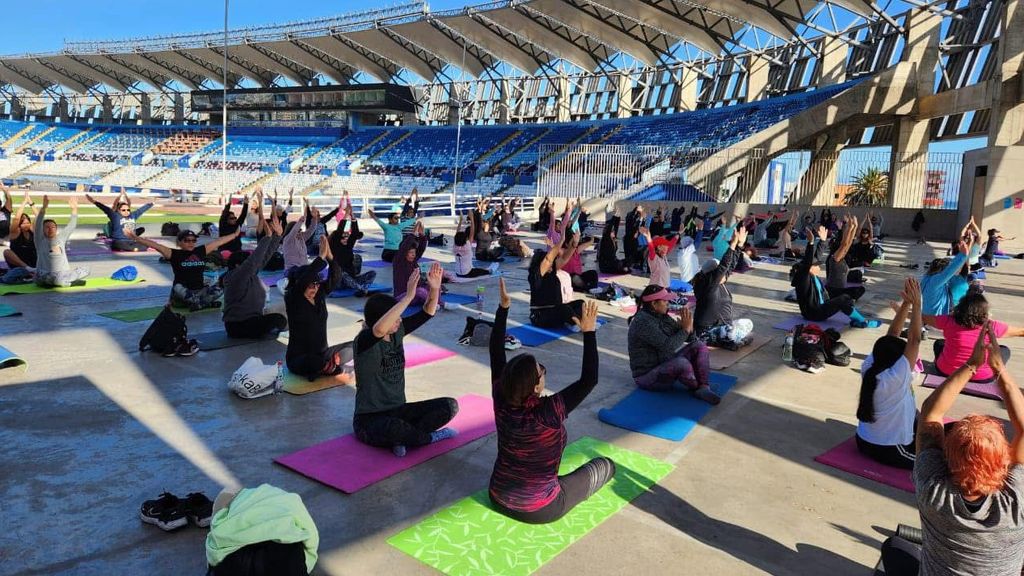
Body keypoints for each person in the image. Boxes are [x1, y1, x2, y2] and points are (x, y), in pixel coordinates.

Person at [879, 323, 1024, 575]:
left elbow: (931, 414)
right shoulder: (1016, 500)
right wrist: (999, 367)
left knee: (893, 547)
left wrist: (971, 365)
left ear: (948, 456)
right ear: (1003, 457)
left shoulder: (932, 490)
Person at [489, 284, 613, 523]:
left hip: (497, 494)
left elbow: (496, 350)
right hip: (540, 508)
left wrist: (503, 308)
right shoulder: (547, 412)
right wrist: (589, 332)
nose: (544, 372)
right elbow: (589, 379)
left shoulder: (501, 396)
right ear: (536, 387)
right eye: (541, 371)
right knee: (605, 465)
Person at [353, 262, 457, 457]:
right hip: (369, 420)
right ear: (382, 319)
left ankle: (405, 438)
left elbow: (428, 312)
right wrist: (409, 296)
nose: (400, 320)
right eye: (395, 317)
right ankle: (425, 438)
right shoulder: (364, 342)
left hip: (399, 410)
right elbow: (378, 330)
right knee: (393, 428)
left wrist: (434, 289)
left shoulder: (396, 332)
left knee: (449, 406)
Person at [855, 278, 923, 470]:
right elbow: (915, 340)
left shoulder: (870, 366)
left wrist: (907, 304)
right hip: (891, 449)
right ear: (898, 361)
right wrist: (917, 306)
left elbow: (892, 335)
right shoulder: (896, 376)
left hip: (864, 441)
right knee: (937, 464)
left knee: (929, 424)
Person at [628, 285, 720, 404]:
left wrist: (689, 328)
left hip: (663, 364)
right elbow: (668, 346)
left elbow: (690, 338)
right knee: (681, 363)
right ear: (654, 304)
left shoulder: (662, 316)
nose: (668, 303)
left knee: (699, 345)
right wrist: (685, 330)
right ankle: (698, 386)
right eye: (665, 300)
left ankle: (703, 386)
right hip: (646, 376)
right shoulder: (642, 322)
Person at [284, 237, 353, 383]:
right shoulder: (293, 299)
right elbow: (304, 280)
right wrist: (320, 257)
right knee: (313, 362)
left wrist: (330, 258)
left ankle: (329, 365)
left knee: (355, 345)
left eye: (317, 284)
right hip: (299, 358)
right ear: (300, 285)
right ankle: (326, 367)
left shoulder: (319, 296)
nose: (315, 288)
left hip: (323, 353)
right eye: (310, 285)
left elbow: (336, 277)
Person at [128, 228, 239, 310]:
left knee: (221, 287)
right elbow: (155, 245)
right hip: (184, 293)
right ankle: (204, 303)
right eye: (187, 240)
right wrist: (136, 238)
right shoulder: (173, 253)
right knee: (177, 286)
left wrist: (234, 234)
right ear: (179, 242)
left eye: (193, 240)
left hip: (199, 291)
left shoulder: (200, 251)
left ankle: (200, 303)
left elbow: (218, 242)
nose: (191, 243)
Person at [792, 225, 878, 328]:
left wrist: (823, 241)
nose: (819, 268)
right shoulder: (804, 278)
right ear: (809, 268)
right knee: (843, 299)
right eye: (816, 266)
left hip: (820, 306)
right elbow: (808, 261)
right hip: (814, 313)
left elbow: (816, 256)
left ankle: (857, 321)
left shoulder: (811, 276)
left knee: (846, 298)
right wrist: (810, 243)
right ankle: (864, 322)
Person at [924, 293, 1022, 383]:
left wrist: (910, 306)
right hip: (982, 378)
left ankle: (945, 364)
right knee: (1004, 350)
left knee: (939, 343)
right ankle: (991, 370)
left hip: (946, 373)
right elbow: (1020, 332)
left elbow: (922, 317)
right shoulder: (992, 326)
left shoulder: (948, 320)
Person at [222, 210, 287, 340]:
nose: (249, 263)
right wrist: (267, 237)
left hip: (252, 320)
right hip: (238, 326)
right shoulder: (236, 276)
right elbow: (254, 260)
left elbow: (264, 257)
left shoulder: (248, 275)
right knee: (278, 319)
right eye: (245, 262)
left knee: (285, 309)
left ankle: (268, 332)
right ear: (237, 266)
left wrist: (277, 236)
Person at [693, 226, 752, 350]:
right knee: (731, 332)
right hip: (706, 331)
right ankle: (729, 339)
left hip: (723, 327)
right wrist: (732, 244)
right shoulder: (707, 285)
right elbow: (724, 266)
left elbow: (730, 265)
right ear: (712, 275)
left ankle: (730, 338)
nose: (725, 274)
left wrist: (739, 245)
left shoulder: (719, 281)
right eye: (719, 273)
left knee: (747, 323)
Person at [528, 240, 585, 330]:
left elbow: (564, 259)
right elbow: (547, 260)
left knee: (580, 303)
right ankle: (580, 325)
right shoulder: (535, 275)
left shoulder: (551, 271)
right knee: (565, 310)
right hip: (540, 315)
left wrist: (574, 245)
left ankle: (575, 321)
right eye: (549, 264)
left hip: (555, 309)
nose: (551, 265)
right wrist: (561, 240)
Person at [34, 195, 90, 287]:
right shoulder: (39, 240)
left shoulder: (61, 238)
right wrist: (43, 208)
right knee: (39, 280)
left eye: (53, 227)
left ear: (56, 229)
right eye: (47, 227)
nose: (50, 229)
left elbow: (71, 226)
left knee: (87, 269)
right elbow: (38, 224)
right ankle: (69, 282)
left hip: (62, 274)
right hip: (45, 274)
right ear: (43, 230)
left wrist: (74, 209)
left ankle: (65, 281)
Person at [328, 193, 377, 295]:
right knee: (343, 274)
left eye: (347, 235)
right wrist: (346, 215)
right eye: (344, 236)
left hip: (351, 280)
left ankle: (362, 287)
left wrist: (353, 216)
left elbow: (355, 233)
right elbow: (339, 230)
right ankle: (361, 289)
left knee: (372, 273)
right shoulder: (334, 245)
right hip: (338, 281)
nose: (346, 237)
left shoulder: (348, 245)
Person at [86, 191, 153, 252]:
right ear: (118, 210)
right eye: (123, 210)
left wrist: (152, 203)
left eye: (128, 210)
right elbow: (103, 207)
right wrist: (93, 201)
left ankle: (130, 248)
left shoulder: (133, 215)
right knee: (127, 246)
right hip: (119, 241)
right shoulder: (115, 215)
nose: (126, 211)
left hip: (130, 241)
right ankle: (124, 247)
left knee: (146, 243)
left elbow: (141, 209)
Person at [921, 240, 969, 316]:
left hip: (926, 317)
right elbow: (949, 271)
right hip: (935, 322)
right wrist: (963, 255)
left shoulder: (926, 278)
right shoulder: (935, 281)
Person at [825, 215, 865, 301]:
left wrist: (855, 227)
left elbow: (848, 243)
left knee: (860, 289)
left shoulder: (840, 257)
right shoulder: (835, 259)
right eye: (842, 250)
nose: (845, 251)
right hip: (833, 290)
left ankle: (845, 299)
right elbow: (845, 244)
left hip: (840, 289)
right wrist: (850, 228)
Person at [453, 211, 498, 279]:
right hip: (467, 273)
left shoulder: (455, 247)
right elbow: (472, 232)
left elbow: (457, 233)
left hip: (457, 273)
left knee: (478, 269)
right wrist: (472, 219)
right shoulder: (467, 247)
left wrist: (460, 220)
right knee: (487, 271)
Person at [3, 193, 37, 271]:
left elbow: (39, 217)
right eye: (23, 223)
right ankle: (27, 268)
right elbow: (16, 219)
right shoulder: (15, 232)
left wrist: (31, 203)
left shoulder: (32, 230)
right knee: (6, 252)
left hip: (32, 261)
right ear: (19, 224)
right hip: (19, 264)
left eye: (28, 223)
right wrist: (24, 202)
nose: (26, 225)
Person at [282, 204, 319, 271]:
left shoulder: (301, 238)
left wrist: (315, 218)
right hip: (292, 270)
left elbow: (310, 231)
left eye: (300, 231)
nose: (300, 232)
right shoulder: (287, 239)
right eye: (299, 231)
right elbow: (294, 231)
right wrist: (302, 219)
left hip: (303, 268)